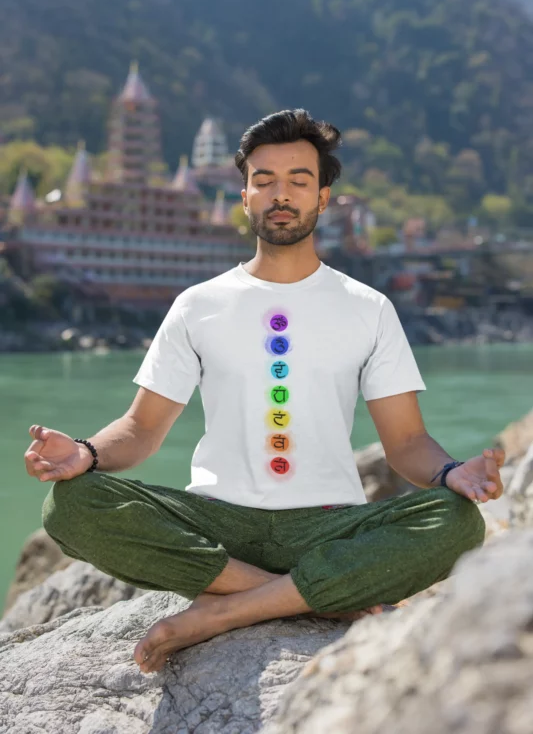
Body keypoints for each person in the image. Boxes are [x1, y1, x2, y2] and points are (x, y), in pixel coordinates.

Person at [25, 109, 505, 674]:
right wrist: (86, 453)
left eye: (299, 181)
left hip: (328, 525)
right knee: (70, 502)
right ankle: (297, 596)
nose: (281, 195)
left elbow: (405, 443)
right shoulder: (198, 305)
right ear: (245, 196)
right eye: (264, 180)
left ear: (323, 198)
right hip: (219, 526)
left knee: (458, 523)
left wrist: (454, 475)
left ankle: (223, 611)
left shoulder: (369, 308)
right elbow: (142, 429)